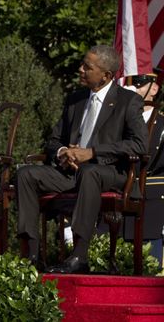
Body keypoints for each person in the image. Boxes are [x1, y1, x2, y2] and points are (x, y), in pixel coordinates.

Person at [16, 45, 147, 274]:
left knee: (90, 172)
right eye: (82, 64)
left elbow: (139, 144)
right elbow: (53, 140)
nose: (81, 69)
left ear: (106, 75)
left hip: (111, 173)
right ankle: (33, 255)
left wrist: (93, 152)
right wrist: (64, 152)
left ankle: (79, 255)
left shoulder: (128, 101)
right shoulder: (75, 100)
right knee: (26, 174)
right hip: (72, 173)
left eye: (88, 67)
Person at [122, 74, 164, 267]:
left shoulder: (162, 124)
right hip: (121, 195)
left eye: (138, 85)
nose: (132, 90)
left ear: (153, 89)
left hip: (152, 198)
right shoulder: (120, 120)